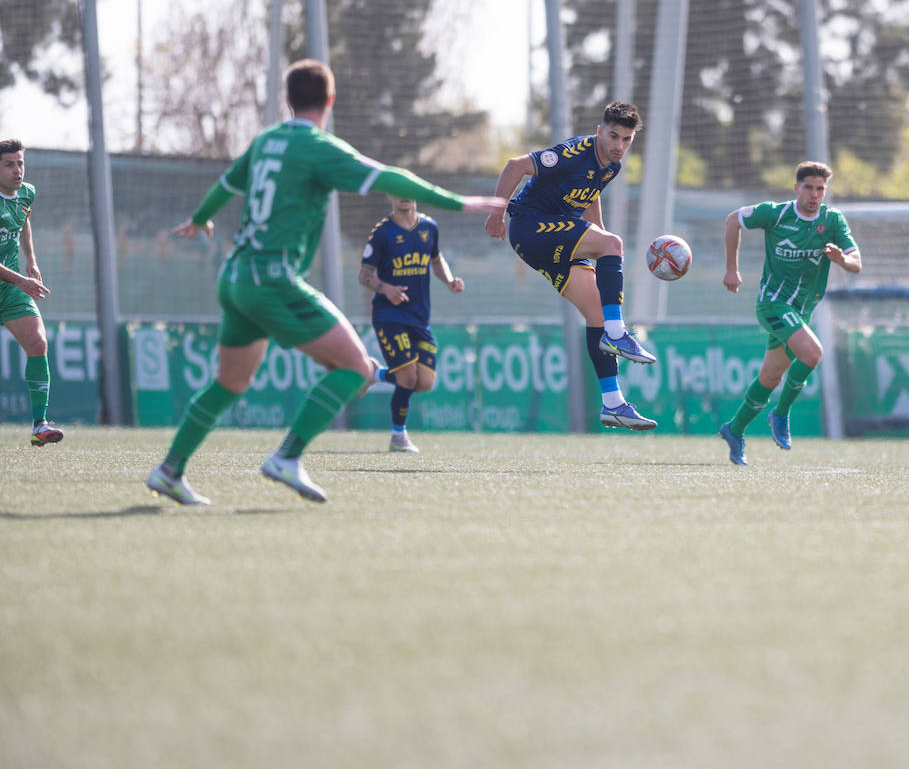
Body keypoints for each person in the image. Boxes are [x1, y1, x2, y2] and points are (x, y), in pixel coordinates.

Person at [145, 59, 506, 506]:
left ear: (287, 99)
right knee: (357, 369)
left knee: (230, 382)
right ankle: (286, 458)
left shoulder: (266, 141)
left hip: (236, 274)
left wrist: (199, 219)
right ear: (330, 100)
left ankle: (169, 470)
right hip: (272, 277)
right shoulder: (317, 146)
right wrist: (460, 202)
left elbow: (225, 185)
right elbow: (390, 178)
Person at [483, 101, 658, 431]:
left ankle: (613, 404)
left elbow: (590, 194)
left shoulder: (612, 166)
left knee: (596, 313)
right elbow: (514, 165)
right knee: (614, 246)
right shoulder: (575, 152)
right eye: (613, 136)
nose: (619, 145)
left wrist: (600, 236)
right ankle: (618, 335)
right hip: (532, 228)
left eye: (626, 139)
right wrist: (496, 214)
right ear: (599, 131)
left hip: (558, 237)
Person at [718, 160, 862, 465]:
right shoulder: (777, 213)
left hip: (800, 311)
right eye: (808, 187)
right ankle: (780, 414)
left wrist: (841, 261)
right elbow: (733, 220)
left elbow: (856, 262)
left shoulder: (832, 220)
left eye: (820, 189)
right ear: (796, 188)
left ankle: (734, 429)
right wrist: (732, 269)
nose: (814, 194)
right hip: (772, 304)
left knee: (770, 377)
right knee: (812, 354)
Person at [359, 195, 463, 453]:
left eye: (408, 191)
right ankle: (398, 436)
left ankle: (375, 374)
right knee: (407, 377)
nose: (404, 196)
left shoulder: (429, 227)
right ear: (388, 196)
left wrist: (449, 280)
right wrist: (386, 289)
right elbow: (364, 275)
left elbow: (436, 260)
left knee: (424, 382)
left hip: (419, 318)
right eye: (397, 191)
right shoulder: (383, 232)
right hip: (389, 316)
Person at [0, 137, 64, 448]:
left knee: (38, 342)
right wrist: (22, 281)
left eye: (20, 163)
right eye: (9, 164)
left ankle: (40, 424)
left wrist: (31, 260)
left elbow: (24, 221)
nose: (17, 170)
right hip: (13, 282)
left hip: (11, 289)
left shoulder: (27, 193)